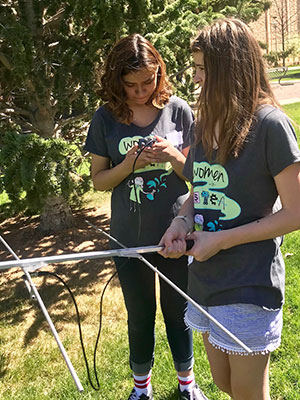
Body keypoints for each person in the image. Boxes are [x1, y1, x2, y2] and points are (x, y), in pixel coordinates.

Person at [158, 18, 300, 400]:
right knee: (224, 383)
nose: (196, 78)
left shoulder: (271, 125)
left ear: (230, 67)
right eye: (195, 68)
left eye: (203, 68)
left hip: (249, 283)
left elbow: (295, 212)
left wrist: (222, 240)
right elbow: (197, 192)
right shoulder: (204, 124)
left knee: (248, 394)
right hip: (206, 281)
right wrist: (180, 221)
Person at [84, 34, 208, 400]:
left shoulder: (179, 110)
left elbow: (197, 176)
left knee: (177, 311)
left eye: (148, 81)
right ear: (116, 80)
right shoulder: (105, 117)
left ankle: (187, 385)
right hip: (128, 238)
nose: (140, 91)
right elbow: (99, 180)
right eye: (131, 84)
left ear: (159, 73)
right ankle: (142, 389)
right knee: (140, 316)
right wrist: (128, 165)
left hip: (176, 233)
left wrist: (172, 155)